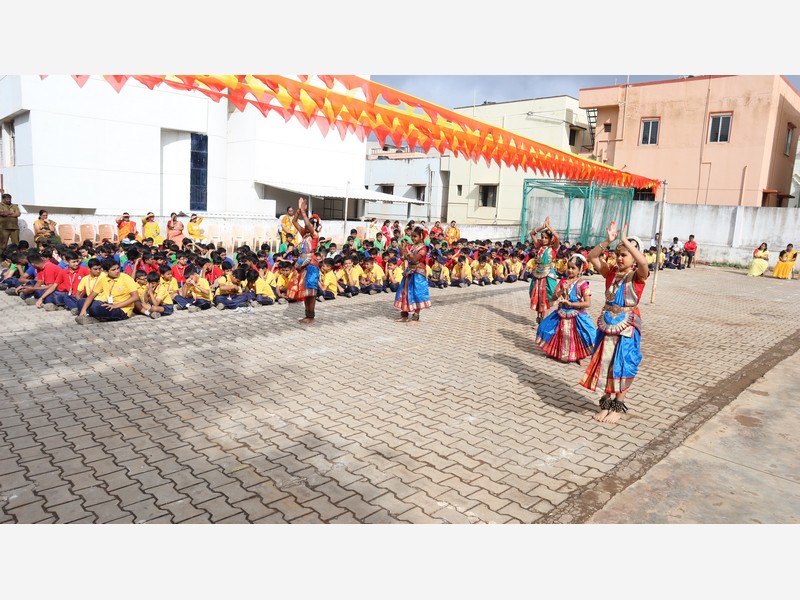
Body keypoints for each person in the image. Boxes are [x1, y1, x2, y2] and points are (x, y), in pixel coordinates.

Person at [580, 221, 649, 425]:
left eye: (624, 254)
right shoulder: (610, 273)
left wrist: (627, 242)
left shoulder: (637, 277)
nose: (619, 258)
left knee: (623, 364)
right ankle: (606, 403)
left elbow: (644, 264)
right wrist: (607, 242)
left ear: (633, 257)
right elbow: (592, 257)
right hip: (607, 323)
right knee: (606, 364)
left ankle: (618, 406)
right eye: (618, 254)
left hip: (627, 326)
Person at [535, 254, 597, 364]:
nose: (570, 270)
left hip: (576, 313)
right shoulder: (563, 281)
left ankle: (578, 356)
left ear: (580, 270)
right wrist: (560, 291)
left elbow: (587, 303)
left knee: (581, 335)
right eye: (569, 267)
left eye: (573, 268)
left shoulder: (582, 284)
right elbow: (553, 297)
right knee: (549, 329)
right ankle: (554, 352)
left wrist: (572, 304)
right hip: (562, 312)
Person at [285, 197, 321, 324]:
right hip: (304, 264)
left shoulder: (314, 235)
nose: (309, 224)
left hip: (311, 264)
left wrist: (303, 211)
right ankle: (308, 315)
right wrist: (298, 211)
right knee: (306, 292)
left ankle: (311, 316)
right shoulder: (304, 234)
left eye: (312, 223)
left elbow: (307, 224)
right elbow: (294, 221)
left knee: (311, 292)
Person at [75, 259, 140, 324]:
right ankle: (86, 315)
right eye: (113, 270)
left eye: (118, 268)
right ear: (106, 271)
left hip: (122, 309)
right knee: (81, 301)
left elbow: (135, 297)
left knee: (96, 308)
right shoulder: (103, 279)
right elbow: (91, 296)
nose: (117, 271)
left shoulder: (126, 278)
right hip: (108, 305)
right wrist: (83, 310)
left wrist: (116, 305)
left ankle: (90, 316)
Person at [394, 227, 431, 325]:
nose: (413, 238)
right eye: (412, 236)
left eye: (415, 236)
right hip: (409, 271)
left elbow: (414, 259)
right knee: (404, 292)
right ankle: (404, 315)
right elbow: (403, 258)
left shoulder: (423, 248)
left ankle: (415, 317)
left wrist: (406, 250)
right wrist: (401, 249)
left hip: (418, 273)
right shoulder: (411, 247)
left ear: (421, 236)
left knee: (417, 293)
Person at [529, 217, 560, 325]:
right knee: (537, 295)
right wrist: (542, 227)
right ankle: (539, 319)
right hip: (537, 273)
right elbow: (532, 234)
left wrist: (549, 227)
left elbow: (557, 237)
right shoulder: (540, 246)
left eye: (546, 237)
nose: (543, 239)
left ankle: (544, 321)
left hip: (548, 275)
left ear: (550, 239)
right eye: (542, 237)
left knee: (546, 297)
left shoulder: (553, 248)